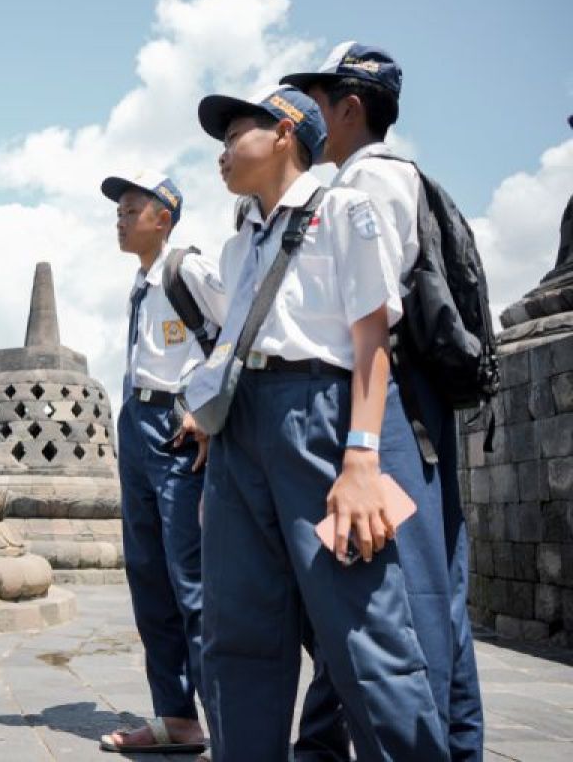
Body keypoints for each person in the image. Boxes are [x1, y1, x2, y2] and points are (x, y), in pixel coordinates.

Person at [187, 84, 448, 760]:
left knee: (363, 630)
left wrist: (362, 458)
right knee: (236, 634)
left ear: (284, 133)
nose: (222, 152)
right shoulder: (238, 244)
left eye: (235, 133)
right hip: (241, 429)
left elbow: (371, 343)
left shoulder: (344, 209)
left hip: (319, 419)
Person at [281, 42, 483, 761]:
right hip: (418, 400)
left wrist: (358, 445)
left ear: (350, 108)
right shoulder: (407, 178)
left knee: (396, 600)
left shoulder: (361, 189)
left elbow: (368, 316)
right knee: (433, 597)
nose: (309, 115)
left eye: (318, 99)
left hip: (390, 399)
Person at [97, 172, 227, 754]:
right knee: (148, 577)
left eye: (130, 209)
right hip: (137, 422)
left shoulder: (187, 270)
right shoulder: (141, 283)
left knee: (190, 581)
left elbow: (240, 327)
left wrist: (204, 405)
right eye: (119, 211)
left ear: (163, 218)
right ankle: (176, 718)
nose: (119, 219)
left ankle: (228, 721)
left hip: (178, 427)